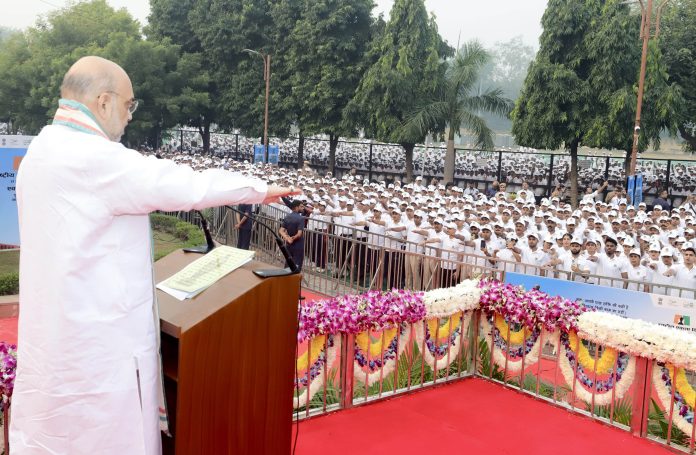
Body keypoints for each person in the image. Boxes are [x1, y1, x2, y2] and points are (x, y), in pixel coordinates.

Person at [12, 56, 295, 455]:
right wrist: (256, 188)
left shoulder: (42, 149)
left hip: (58, 335)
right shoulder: (95, 159)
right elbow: (183, 186)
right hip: (98, 346)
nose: (129, 116)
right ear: (104, 101)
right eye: (129, 105)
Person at [280, 199, 306, 271]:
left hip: (289, 244)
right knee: (296, 266)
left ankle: (285, 280)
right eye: (301, 206)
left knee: (288, 263)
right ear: (296, 207)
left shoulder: (287, 216)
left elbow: (281, 230)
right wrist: (292, 238)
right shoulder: (301, 218)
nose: (303, 208)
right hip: (298, 244)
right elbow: (299, 233)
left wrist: (287, 238)